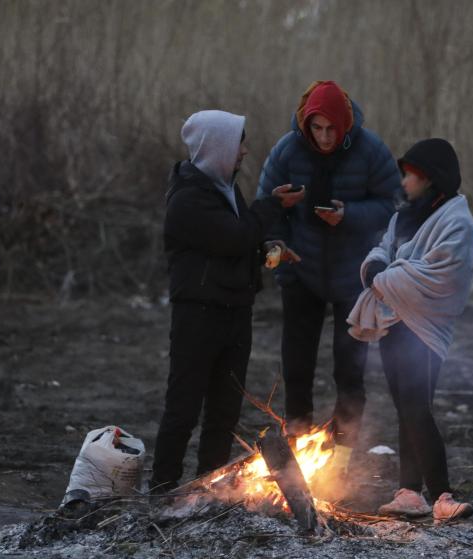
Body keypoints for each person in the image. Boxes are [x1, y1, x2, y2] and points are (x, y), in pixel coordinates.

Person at [150, 110, 304, 493]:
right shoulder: (187, 200)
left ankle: (209, 489)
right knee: (183, 408)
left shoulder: (226, 192)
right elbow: (233, 237)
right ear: (217, 148)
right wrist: (270, 207)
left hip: (235, 313)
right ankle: (161, 489)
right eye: (238, 144)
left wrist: (267, 249)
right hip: (197, 317)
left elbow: (234, 247)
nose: (245, 152)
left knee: (224, 411)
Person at [256, 81, 401, 479]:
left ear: (344, 125)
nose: (323, 137)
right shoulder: (287, 149)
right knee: (297, 366)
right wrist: (277, 245)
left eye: (330, 130)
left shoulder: (370, 150)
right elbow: (265, 205)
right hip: (301, 271)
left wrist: (349, 214)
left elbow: (394, 206)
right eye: (316, 129)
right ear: (306, 125)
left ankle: (339, 463)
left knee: (348, 370)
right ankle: (298, 456)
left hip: (352, 275)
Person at [347, 138, 473, 523]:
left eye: (410, 175)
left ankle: (442, 495)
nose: (403, 181)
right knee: (405, 408)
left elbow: (443, 278)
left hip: (425, 325)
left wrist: (382, 276)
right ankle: (409, 492)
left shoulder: (458, 222)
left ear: (432, 179)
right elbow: (382, 250)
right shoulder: (405, 215)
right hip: (393, 322)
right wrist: (377, 268)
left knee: (418, 407)